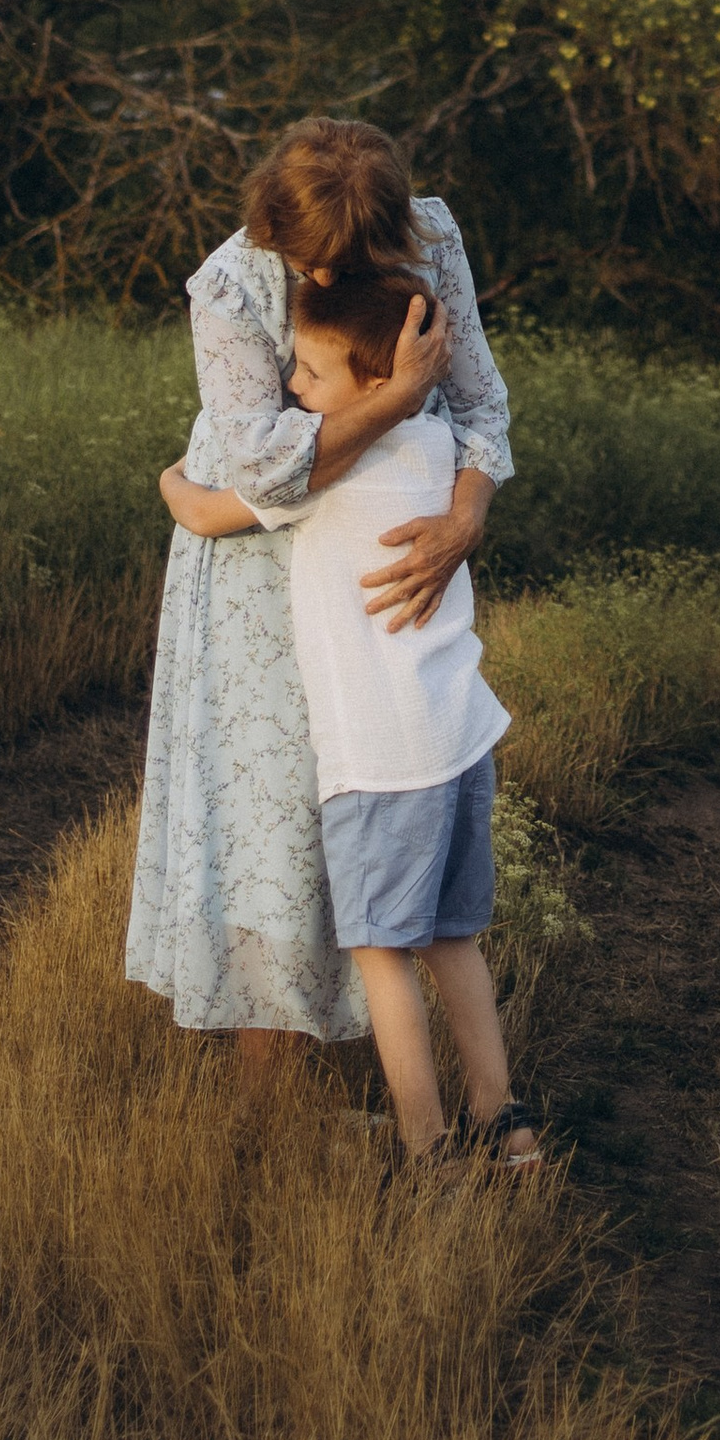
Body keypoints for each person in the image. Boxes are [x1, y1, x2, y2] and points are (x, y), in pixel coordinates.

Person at [123, 118, 514, 1068]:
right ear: (271, 232)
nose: (330, 280)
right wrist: (390, 398)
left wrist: (465, 524)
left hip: (380, 551)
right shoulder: (227, 284)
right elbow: (264, 468)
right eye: (313, 262)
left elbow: (479, 407)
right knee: (275, 823)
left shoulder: (434, 240)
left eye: (352, 259)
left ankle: (384, 1068)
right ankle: (277, 1082)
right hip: (258, 580)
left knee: (384, 797)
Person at [162, 266, 540, 1167]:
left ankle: (426, 1145)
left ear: (378, 383)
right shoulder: (440, 447)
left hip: (380, 760)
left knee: (381, 956)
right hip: (460, 737)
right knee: (455, 937)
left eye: (313, 376)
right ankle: (506, 1121)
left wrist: (173, 474)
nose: (295, 388)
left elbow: (206, 513)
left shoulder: (324, 469)